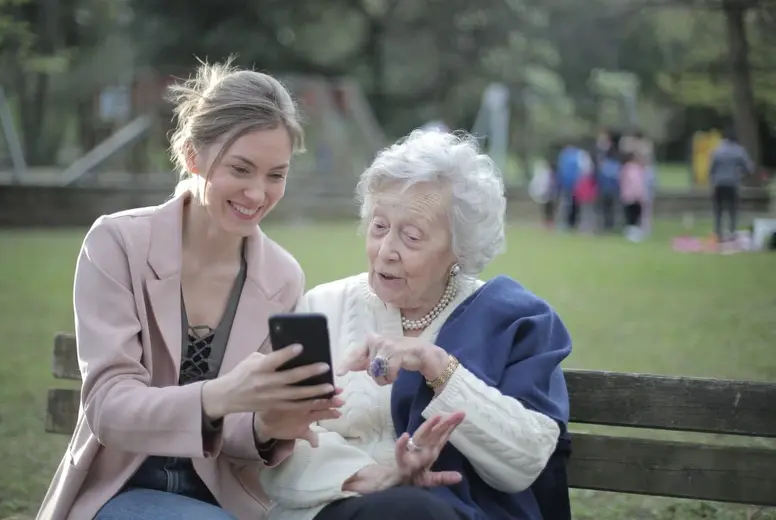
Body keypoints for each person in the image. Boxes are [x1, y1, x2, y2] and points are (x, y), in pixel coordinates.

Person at [36, 60, 344, 520]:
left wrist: (268, 424)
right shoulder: (118, 243)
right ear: (191, 155)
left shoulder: (282, 276)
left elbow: (238, 435)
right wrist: (219, 395)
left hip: (226, 502)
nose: (258, 194)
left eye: (275, 175)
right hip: (118, 492)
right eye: (241, 169)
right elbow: (108, 407)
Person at [260, 130, 573, 520]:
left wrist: (438, 367)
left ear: (459, 249)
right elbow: (278, 440)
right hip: (332, 509)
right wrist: (372, 476)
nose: (386, 250)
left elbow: (527, 460)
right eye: (378, 227)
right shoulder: (321, 307)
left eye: (411, 236)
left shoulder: (513, 320)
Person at [709, 126, 755, 241]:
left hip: (719, 183)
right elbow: (750, 168)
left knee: (718, 210)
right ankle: (732, 233)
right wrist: (741, 174)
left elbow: (712, 169)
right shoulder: (739, 151)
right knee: (733, 210)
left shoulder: (717, 151)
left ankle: (718, 233)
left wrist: (713, 178)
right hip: (733, 184)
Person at [619, 151, 648, 242]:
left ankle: (631, 231)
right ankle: (633, 233)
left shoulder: (624, 169)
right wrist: (638, 193)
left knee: (630, 214)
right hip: (634, 195)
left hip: (628, 195)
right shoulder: (634, 169)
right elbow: (636, 183)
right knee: (634, 215)